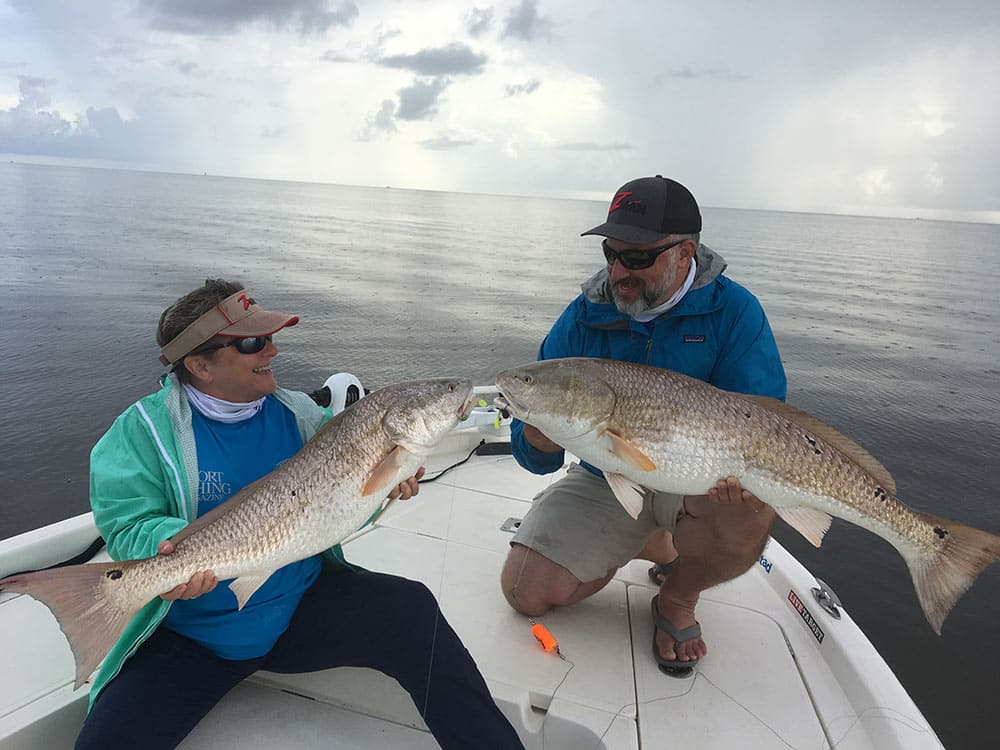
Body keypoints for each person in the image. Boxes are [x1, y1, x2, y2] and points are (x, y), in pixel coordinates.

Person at [77, 279, 524, 750]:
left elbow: (339, 507)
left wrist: (386, 488)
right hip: (191, 634)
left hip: (297, 609)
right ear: (199, 364)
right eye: (253, 343)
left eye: (270, 337)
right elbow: (127, 522)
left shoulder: (300, 416)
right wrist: (171, 552)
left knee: (412, 612)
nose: (272, 350)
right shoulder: (140, 432)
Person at [500, 176, 786, 675]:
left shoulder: (734, 313)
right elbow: (530, 454)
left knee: (750, 512)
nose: (617, 272)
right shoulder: (583, 317)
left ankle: (678, 597)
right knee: (525, 590)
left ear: (685, 253)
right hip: (605, 476)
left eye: (636, 259)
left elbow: (763, 423)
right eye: (611, 253)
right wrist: (538, 439)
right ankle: (658, 542)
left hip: (699, 483)